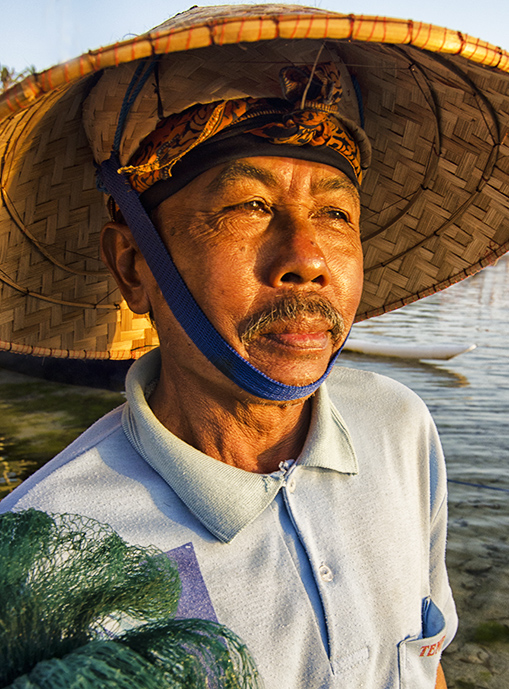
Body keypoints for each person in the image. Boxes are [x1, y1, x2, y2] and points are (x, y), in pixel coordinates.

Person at [2, 4, 509, 688]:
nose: (306, 258)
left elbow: (427, 660)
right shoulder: (46, 545)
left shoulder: (399, 426)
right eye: (248, 206)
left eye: (334, 212)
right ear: (132, 265)